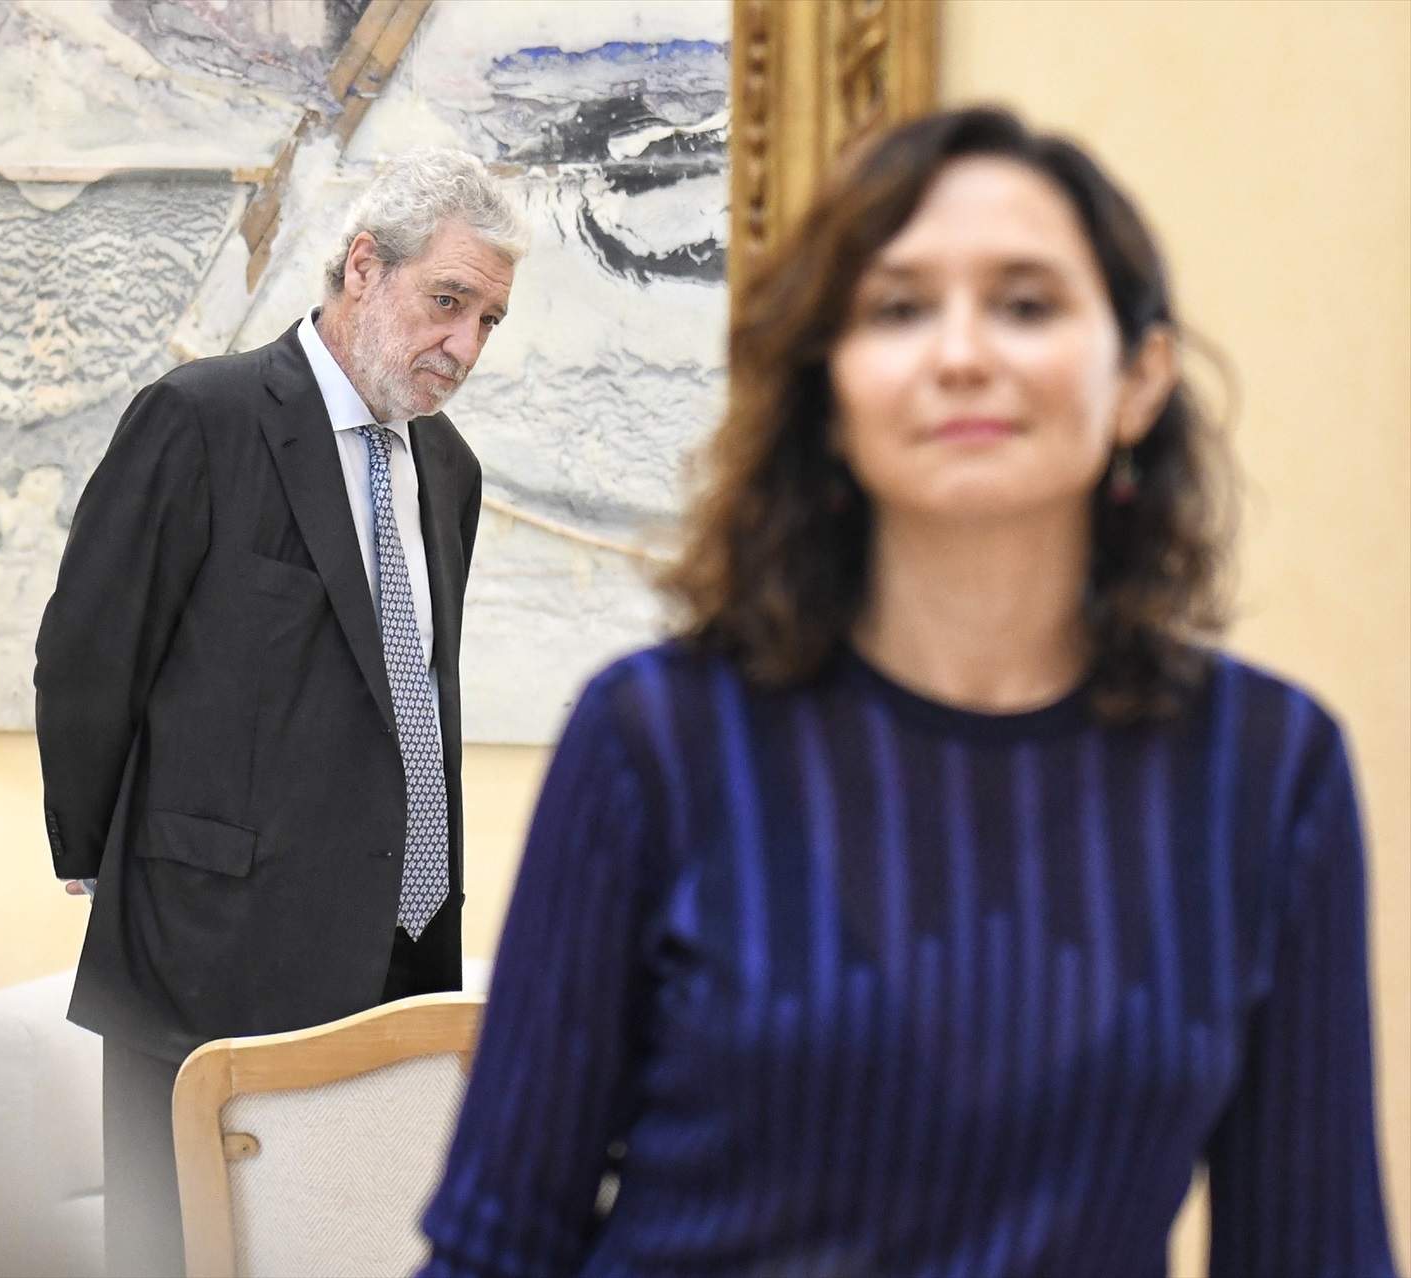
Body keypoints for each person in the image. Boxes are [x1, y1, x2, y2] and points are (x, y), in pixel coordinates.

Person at [421, 107, 1398, 1277]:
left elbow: (1313, 1252)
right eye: (898, 310)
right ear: (831, 389)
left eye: (1027, 305)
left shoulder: (1268, 772)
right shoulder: (656, 740)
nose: (961, 354)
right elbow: (499, 1245)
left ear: (1140, 378)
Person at [35, 147, 526, 1274]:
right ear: (364, 267)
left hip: (403, 960)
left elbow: (409, 698)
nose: (464, 346)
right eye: (448, 301)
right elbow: (89, 653)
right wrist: (110, 863)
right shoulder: (200, 418)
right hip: (207, 953)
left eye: (489, 321)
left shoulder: (450, 471)